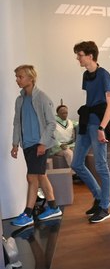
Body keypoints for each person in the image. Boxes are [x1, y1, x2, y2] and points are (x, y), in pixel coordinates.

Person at [10, 65, 63, 226]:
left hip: (39, 144)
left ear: (31, 78)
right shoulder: (20, 100)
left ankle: (27, 214)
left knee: (31, 178)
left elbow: (51, 123)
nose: (17, 80)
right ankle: (53, 207)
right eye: (16, 77)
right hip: (27, 145)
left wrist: (43, 143)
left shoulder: (42, 98)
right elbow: (17, 123)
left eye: (20, 77)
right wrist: (15, 144)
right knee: (41, 175)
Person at [70, 41, 110, 223]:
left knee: (101, 165)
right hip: (86, 121)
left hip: (98, 123)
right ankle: (99, 196)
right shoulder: (85, 75)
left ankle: (104, 207)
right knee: (76, 163)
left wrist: (102, 128)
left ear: (90, 56)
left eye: (80, 55)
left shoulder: (104, 75)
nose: (78, 58)